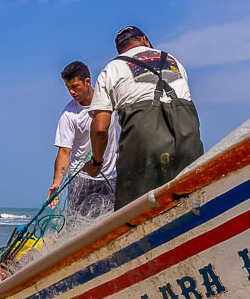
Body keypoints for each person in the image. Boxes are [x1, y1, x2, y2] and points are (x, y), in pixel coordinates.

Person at [84, 25, 203, 209]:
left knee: (134, 214)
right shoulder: (173, 61)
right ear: (145, 40)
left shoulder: (113, 68)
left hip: (144, 146)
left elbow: (100, 127)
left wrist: (97, 162)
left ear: (120, 49)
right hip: (188, 139)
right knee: (191, 202)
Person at [48, 60, 119, 221]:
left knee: (110, 225)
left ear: (87, 82)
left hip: (110, 177)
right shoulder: (69, 114)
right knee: (77, 227)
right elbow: (64, 151)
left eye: (75, 86)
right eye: (68, 88)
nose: (72, 92)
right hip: (81, 180)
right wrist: (57, 183)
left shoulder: (109, 101)